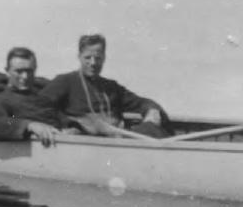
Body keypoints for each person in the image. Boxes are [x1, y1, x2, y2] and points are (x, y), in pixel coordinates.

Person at [34, 33, 171, 137]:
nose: (93, 63)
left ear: (104, 58)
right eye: (88, 57)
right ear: (79, 57)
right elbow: (39, 105)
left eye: (98, 58)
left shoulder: (111, 87)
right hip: (86, 143)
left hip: (118, 140)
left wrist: (152, 110)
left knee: (152, 129)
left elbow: (142, 102)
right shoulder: (66, 81)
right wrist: (71, 124)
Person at [0, 46, 64, 146]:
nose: (25, 77)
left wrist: (72, 128)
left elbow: (62, 118)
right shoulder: (0, 101)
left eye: (29, 71)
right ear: (8, 71)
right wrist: (29, 125)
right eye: (19, 71)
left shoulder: (43, 100)